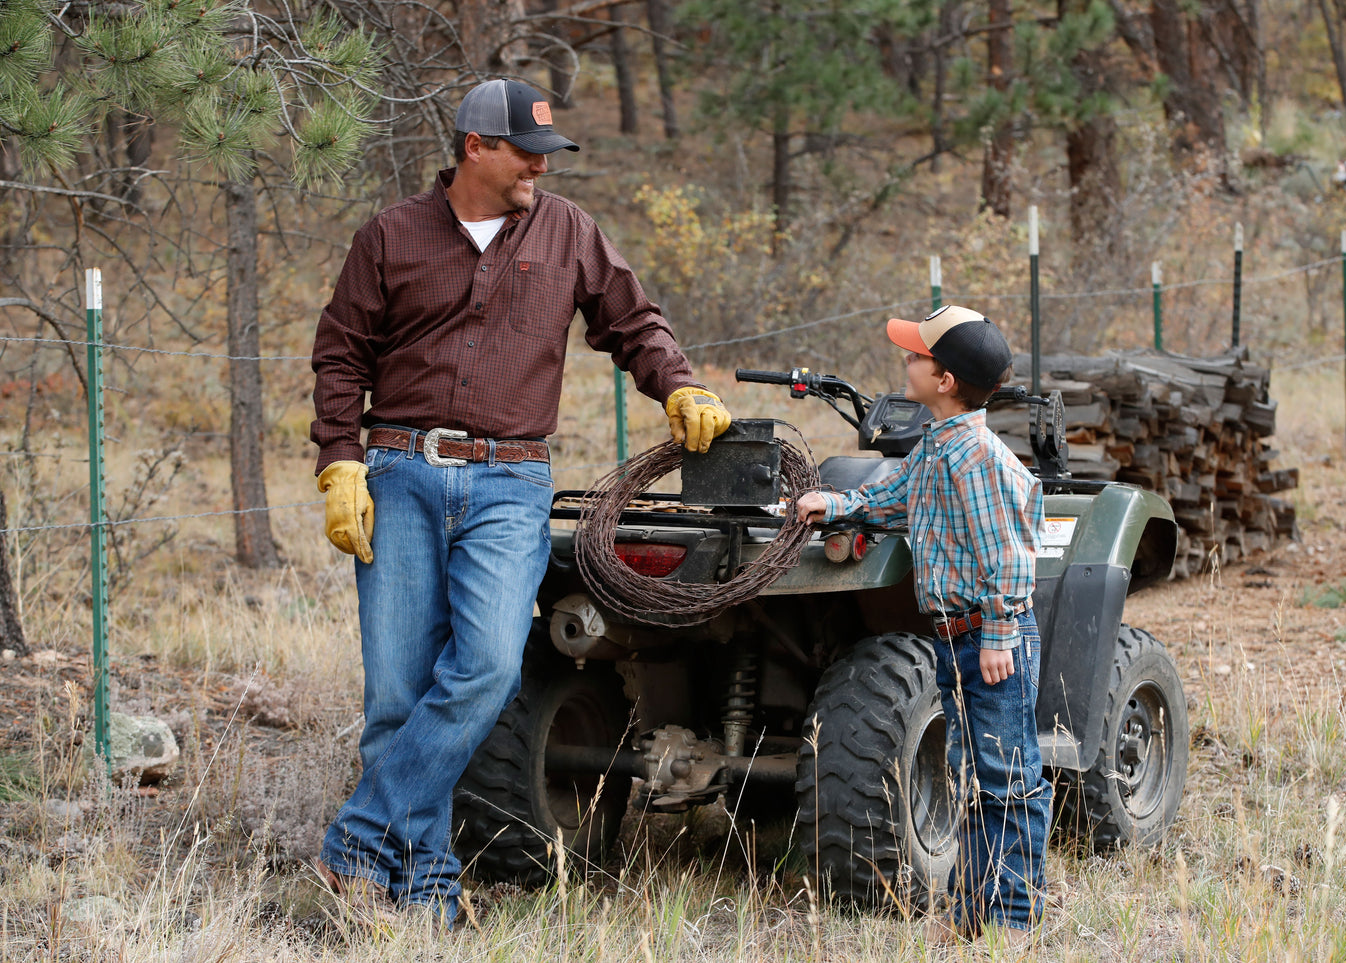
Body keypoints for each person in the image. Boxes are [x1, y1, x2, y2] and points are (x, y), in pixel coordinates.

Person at [308, 78, 731, 928]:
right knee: (396, 697)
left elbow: (633, 323)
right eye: (523, 150)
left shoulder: (568, 230)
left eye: (547, 151)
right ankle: (422, 888)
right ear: (473, 146)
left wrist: (677, 385)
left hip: (511, 480)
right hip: (399, 472)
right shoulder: (390, 235)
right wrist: (341, 461)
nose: (540, 164)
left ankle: (357, 842)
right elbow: (341, 355)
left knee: (489, 666)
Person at [794, 305, 1047, 946]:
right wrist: (841, 503)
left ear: (945, 381)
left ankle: (1014, 921)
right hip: (954, 638)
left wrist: (995, 633)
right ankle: (968, 914)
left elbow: (1010, 559)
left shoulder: (980, 461)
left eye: (916, 355)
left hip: (992, 640)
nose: (904, 361)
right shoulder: (939, 443)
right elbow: (899, 492)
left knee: (1008, 780)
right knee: (969, 776)